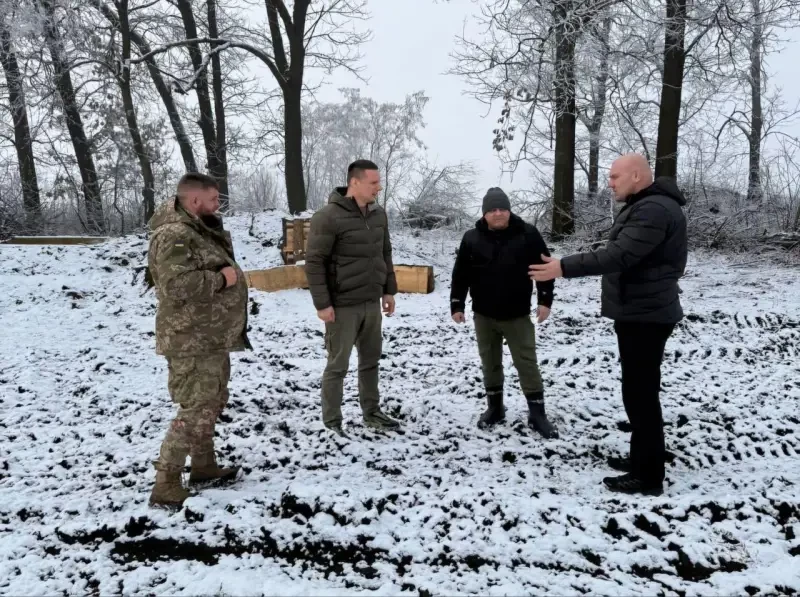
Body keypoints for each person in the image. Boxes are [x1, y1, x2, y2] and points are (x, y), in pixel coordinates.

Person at [530, 153, 687, 496]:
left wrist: (563, 267)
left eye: (615, 177)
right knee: (640, 391)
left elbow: (619, 256)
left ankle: (648, 477)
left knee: (640, 394)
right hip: (641, 311)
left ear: (636, 176)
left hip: (646, 315)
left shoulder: (653, 210)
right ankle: (644, 457)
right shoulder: (646, 205)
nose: (610, 183)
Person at [146, 172, 251, 508]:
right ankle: (166, 482)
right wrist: (221, 279)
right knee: (195, 407)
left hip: (209, 336)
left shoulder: (197, 230)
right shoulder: (175, 235)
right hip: (190, 339)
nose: (218, 204)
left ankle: (203, 466)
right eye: (213, 199)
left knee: (212, 400)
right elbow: (174, 286)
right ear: (194, 201)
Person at [451, 187, 559, 438]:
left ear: (509, 211)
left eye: (502, 209)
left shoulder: (528, 234)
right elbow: (461, 274)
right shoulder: (471, 238)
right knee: (490, 362)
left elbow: (544, 268)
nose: (498, 213)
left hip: (517, 314)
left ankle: (537, 414)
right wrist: (457, 304)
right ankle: (495, 408)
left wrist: (545, 300)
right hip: (484, 315)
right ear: (485, 214)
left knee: (526, 363)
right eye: (492, 210)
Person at [305, 159, 400, 436]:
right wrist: (322, 304)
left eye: (378, 182)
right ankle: (332, 423)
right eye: (373, 183)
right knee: (338, 365)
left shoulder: (378, 215)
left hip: (371, 302)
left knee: (370, 361)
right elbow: (314, 262)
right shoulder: (328, 217)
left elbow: (385, 252)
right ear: (354, 182)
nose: (378, 188)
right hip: (341, 306)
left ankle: (372, 412)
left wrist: (388, 289)